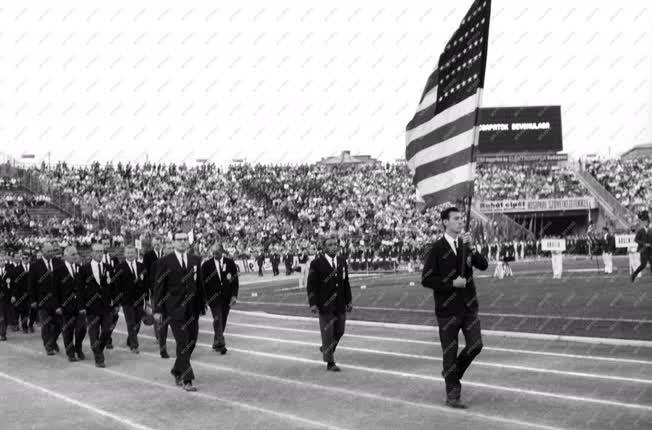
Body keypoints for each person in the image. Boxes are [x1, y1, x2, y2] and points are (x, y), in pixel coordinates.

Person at [421, 206, 488, 409]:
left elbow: (483, 265)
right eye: (456, 218)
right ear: (445, 222)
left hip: (469, 307)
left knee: (476, 345)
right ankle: (453, 394)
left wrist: (473, 249)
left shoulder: (465, 244)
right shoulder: (436, 248)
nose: (460, 221)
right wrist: (451, 284)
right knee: (449, 353)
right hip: (447, 310)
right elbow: (426, 279)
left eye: (461, 218)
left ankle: (453, 374)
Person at [154, 231, 206, 392]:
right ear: (174, 242)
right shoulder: (165, 262)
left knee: (191, 342)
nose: (183, 242)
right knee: (182, 342)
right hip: (174, 310)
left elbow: (200, 284)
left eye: (185, 239)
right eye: (179, 240)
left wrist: (202, 305)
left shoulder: (195, 260)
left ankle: (177, 370)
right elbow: (159, 287)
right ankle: (187, 378)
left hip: (192, 309)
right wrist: (157, 309)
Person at [307, 233, 353, 372]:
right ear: (324, 248)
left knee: (340, 331)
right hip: (324, 305)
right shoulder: (317, 263)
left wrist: (349, 300)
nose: (333, 247)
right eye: (330, 245)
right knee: (327, 334)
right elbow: (311, 285)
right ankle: (330, 362)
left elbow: (345, 282)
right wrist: (313, 303)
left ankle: (327, 349)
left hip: (340, 303)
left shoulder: (342, 261)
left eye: (335, 244)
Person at [77, 243, 119, 368]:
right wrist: (81, 306)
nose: (99, 254)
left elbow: (114, 287)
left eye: (101, 251)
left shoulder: (109, 268)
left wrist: (116, 303)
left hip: (106, 306)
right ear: (91, 253)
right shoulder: (84, 269)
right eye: (97, 251)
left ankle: (98, 349)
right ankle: (99, 358)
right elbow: (79, 289)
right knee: (93, 333)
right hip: (91, 307)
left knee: (106, 330)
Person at [201, 243, 239, 355]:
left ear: (222, 251)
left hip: (227, 298)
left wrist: (234, 296)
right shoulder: (207, 265)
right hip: (213, 298)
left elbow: (235, 281)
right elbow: (202, 283)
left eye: (217, 253)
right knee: (218, 319)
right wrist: (204, 299)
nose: (215, 255)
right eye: (213, 253)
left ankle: (216, 341)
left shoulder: (230, 263)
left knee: (223, 320)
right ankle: (221, 344)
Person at [29, 242, 62, 356]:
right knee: (46, 324)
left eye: (52, 251)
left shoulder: (58, 263)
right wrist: (33, 300)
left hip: (56, 300)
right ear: (43, 251)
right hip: (42, 300)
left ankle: (52, 341)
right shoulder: (35, 265)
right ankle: (48, 345)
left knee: (59, 324)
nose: (51, 253)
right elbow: (31, 285)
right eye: (48, 251)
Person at [54, 246, 86, 361]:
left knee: (82, 328)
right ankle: (70, 353)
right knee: (68, 330)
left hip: (79, 306)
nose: (75, 256)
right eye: (72, 254)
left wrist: (84, 304)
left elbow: (83, 288)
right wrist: (57, 306)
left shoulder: (80, 269)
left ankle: (78, 347)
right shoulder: (58, 271)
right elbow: (55, 290)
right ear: (66, 256)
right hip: (65, 306)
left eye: (76, 254)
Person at [116, 245, 147, 353]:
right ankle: (134, 345)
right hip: (127, 301)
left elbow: (145, 284)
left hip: (139, 300)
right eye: (128, 253)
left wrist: (146, 299)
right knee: (131, 323)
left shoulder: (141, 266)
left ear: (135, 253)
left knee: (138, 323)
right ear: (125, 254)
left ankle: (130, 340)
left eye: (132, 252)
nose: (130, 254)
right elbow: (117, 285)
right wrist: (118, 301)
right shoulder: (120, 267)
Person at [100, 239, 120, 350]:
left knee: (114, 317)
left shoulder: (114, 259)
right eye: (104, 244)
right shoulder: (96, 259)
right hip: (101, 294)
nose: (106, 245)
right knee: (105, 317)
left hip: (112, 292)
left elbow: (117, 277)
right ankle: (107, 340)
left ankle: (107, 336)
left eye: (108, 243)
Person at [9, 251, 32, 333]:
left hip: (30, 294)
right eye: (23, 258)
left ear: (29, 258)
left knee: (28, 311)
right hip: (20, 294)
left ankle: (27, 326)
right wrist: (14, 295)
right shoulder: (17, 269)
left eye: (26, 258)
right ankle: (20, 325)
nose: (25, 260)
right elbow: (15, 284)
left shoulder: (32, 268)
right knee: (20, 310)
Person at [631, 211, 652, 282]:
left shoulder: (650, 230)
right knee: (643, 265)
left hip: (650, 250)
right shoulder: (641, 231)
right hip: (643, 250)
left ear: (648, 223)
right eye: (644, 222)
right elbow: (636, 239)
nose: (646, 223)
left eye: (647, 222)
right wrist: (644, 244)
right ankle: (634, 274)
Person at [0, 254, 10, 341]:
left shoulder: (9, 272)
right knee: (1, 316)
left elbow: (13, 285)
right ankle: (2, 334)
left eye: (3, 260)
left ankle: (3, 330)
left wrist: (13, 295)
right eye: (0, 260)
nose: (2, 262)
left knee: (6, 316)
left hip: (7, 298)